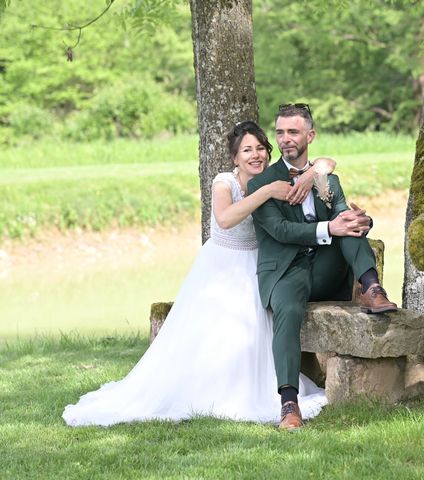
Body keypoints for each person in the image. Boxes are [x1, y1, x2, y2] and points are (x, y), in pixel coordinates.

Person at [62, 121, 335, 427]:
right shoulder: (225, 183)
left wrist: (313, 172)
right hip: (224, 265)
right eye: (247, 150)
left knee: (256, 331)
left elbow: (327, 164)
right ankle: (213, 391)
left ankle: (272, 390)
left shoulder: (276, 177)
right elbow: (226, 218)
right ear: (235, 158)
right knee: (217, 333)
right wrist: (268, 192)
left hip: (260, 264)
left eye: (260, 148)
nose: (255, 155)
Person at [248, 103, 397, 432]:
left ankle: (372, 289)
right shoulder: (263, 183)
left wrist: (362, 221)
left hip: (326, 270)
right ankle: (289, 403)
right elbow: (281, 231)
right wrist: (332, 228)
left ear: (310, 136)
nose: (286, 139)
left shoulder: (327, 179)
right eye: (281, 132)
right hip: (286, 270)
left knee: (348, 223)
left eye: (294, 132)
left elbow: (345, 218)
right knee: (287, 309)